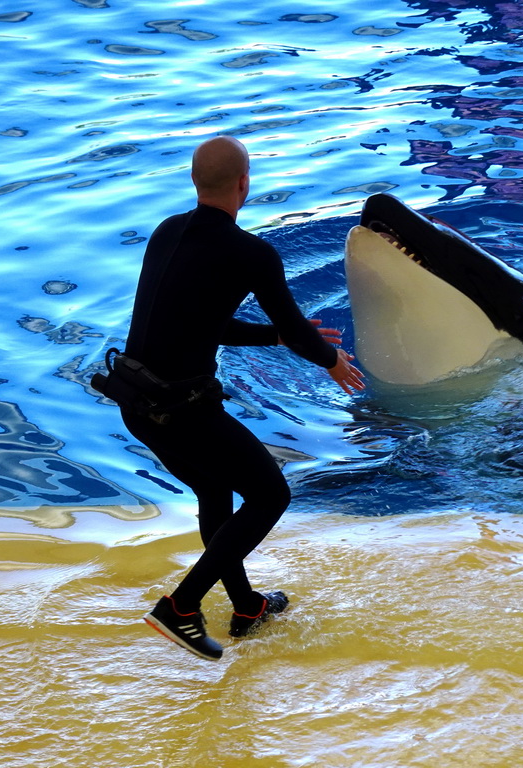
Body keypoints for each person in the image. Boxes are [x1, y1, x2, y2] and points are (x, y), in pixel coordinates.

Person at [122, 136, 365, 661]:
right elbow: (299, 330)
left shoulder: (166, 233)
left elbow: (203, 323)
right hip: (181, 409)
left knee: (215, 492)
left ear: (194, 181)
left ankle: (246, 606)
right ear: (243, 184)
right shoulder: (251, 253)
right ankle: (181, 607)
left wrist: (274, 337)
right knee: (270, 494)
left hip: (136, 402)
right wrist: (330, 361)